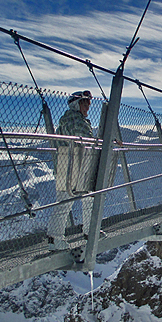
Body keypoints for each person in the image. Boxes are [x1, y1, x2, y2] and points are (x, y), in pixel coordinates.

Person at [48, 90, 96, 250]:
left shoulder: (78, 119)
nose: (87, 107)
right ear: (76, 104)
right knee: (65, 202)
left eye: (88, 103)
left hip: (75, 162)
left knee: (87, 197)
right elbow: (84, 139)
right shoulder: (73, 119)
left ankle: (89, 231)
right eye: (84, 103)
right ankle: (54, 238)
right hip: (68, 164)